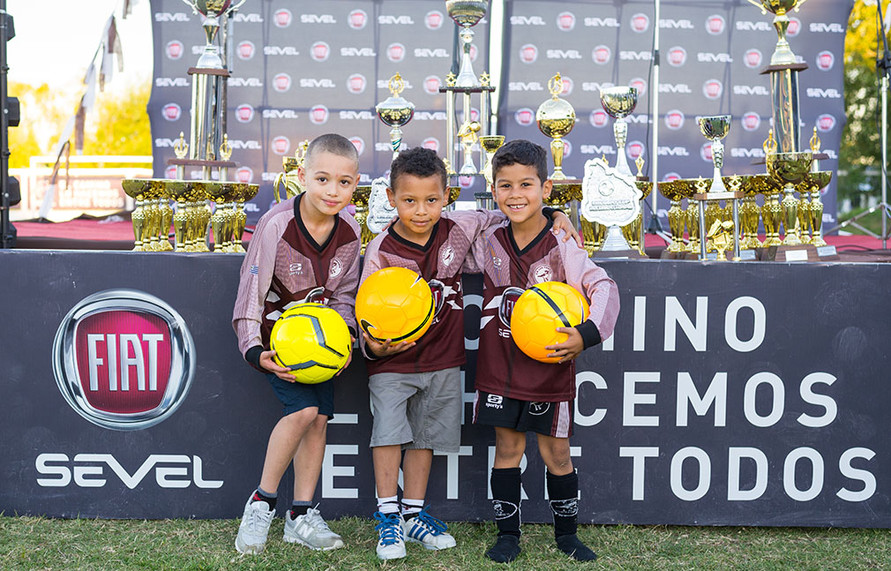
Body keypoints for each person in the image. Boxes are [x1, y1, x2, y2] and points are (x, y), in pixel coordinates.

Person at [360, 146, 580, 561]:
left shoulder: (460, 228)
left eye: (431, 200)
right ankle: (387, 515)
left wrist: (554, 214)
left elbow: (512, 213)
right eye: (409, 200)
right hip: (392, 362)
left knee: (424, 436)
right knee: (389, 433)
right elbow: (364, 307)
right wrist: (370, 343)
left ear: (447, 196)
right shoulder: (380, 249)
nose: (421, 210)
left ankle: (413, 513)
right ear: (391, 199)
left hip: (443, 360)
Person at [469, 139, 620, 563]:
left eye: (526, 185)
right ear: (493, 190)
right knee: (508, 450)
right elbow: (444, 222)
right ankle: (507, 536)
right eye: (505, 186)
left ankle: (567, 536)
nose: (516, 195)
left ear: (546, 188)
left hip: (549, 366)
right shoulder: (487, 236)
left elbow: (603, 286)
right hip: (500, 367)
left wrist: (587, 333)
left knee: (557, 453)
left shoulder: (561, 243)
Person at [231, 133, 362, 554]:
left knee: (319, 419)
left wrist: (344, 342)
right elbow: (250, 289)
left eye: (343, 182)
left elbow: (344, 296)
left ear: (355, 184)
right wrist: (254, 349)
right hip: (279, 340)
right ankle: (262, 502)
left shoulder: (352, 229)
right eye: (322, 179)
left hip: (322, 346)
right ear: (302, 175)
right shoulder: (276, 224)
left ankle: (300, 515)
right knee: (303, 410)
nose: (332, 191)